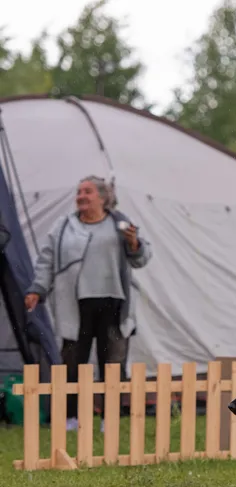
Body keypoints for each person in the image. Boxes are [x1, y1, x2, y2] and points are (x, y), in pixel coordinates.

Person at [25, 176, 152, 430]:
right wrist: (37, 289)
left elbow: (142, 258)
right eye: (79, 192)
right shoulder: (64, 226)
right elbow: (47, 259)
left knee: (113, 363)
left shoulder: (120, 223)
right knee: (73, 362)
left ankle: (110, 418)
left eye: (88, 191)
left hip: (114, 302)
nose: (81, 196)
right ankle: (72, 418)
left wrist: (133, 243)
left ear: (103, 197)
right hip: (75, 303)